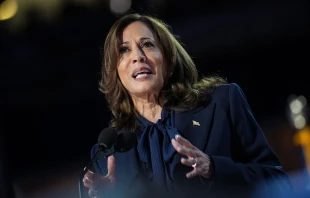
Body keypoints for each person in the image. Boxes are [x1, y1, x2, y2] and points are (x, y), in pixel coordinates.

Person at [82, 13, 292, 198]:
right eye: (124, 50)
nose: (138, 57)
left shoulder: (221, 104)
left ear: (169, 60)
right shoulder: (108, 155)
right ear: (115, 71)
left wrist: (214, 169)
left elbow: (277, 182)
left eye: (147, 44)